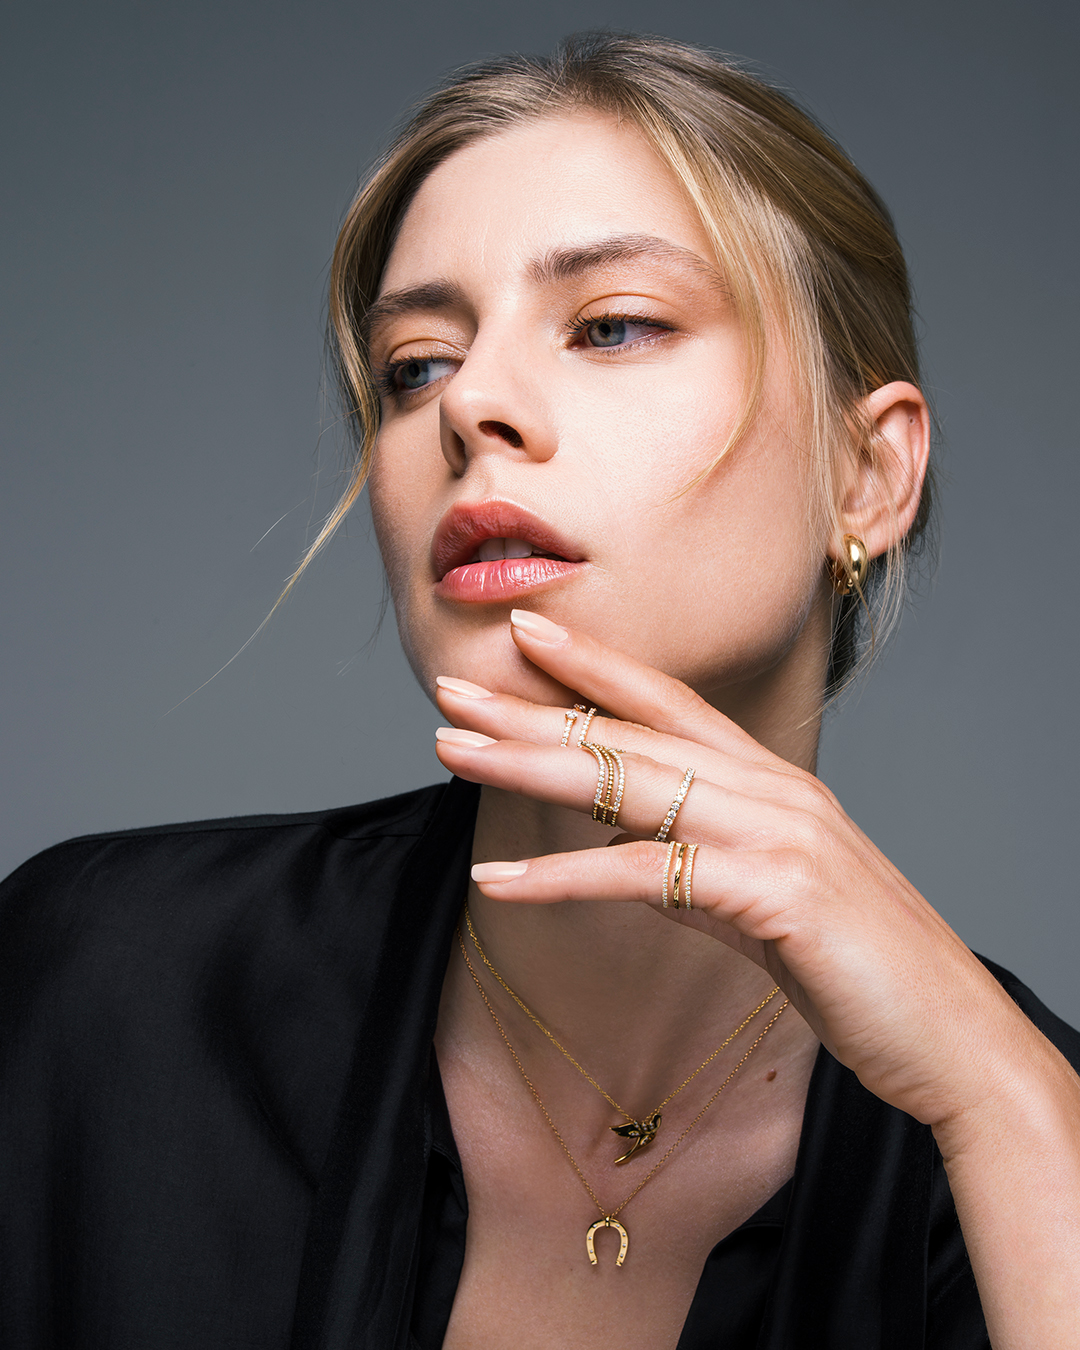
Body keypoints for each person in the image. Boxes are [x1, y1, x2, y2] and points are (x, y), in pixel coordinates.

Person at [1, 32, 1077, 1350]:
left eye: (612, 325)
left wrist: (1006, 1103)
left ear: (868, 476)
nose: (474, 406)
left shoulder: (1024, 1123)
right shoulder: (101, 990)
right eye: (416, 364)